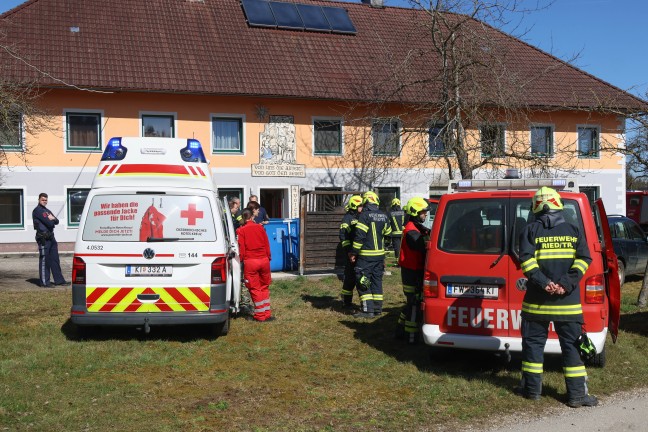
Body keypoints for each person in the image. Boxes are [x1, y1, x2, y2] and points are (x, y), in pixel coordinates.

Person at [516, 186, 597, 407]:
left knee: (533, 346)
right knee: (572, 348)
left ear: (536, 206)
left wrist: (545, 284)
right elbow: (584, 260)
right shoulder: (573, 230)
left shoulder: (529, 230)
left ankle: (532, 391)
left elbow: (527, 263)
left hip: (536, 304)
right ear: (558, 204)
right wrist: (564, 284)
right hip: (568, 304)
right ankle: (577, 396)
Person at [350, 191, 392, 318]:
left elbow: (360, 236)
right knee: (376, 281)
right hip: (379, 257)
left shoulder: (364, 216)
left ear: (366, 202)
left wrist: (353, 252)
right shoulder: (384, 216)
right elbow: (388, 235)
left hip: (366, 257)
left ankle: (368, 310)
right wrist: (383, 249)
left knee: (363, 281)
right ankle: (378, 308)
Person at [395, 197, 431, 344]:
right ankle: (411, 338)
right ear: (415, 212)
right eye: (423, 212)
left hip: (414, 271)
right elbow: (422, 245)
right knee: (414, 302)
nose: (425, 215)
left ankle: (399, 328)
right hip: (411, 272)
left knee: (412, 302)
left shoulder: (416, 227)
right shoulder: (411, 231)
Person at [236, 209, 274, 322]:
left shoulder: (240, 230)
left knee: (254, 288)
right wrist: (268, 257)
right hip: (264, 260)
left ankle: (260, 316)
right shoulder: (260, 228)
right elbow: (267, 243)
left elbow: (241, 248)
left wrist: (241, 260)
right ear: (252, 217)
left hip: (251, 262)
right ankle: (267, 313)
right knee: (264, 287)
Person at [32, 193, 69, 287]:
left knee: (55, 259)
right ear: (39, 200)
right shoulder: (38, 211)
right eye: (42, 199)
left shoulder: (47, 210)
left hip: (51, 238)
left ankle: (59, 280)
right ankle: (45, 282)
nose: (44, 201)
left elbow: (57, 221)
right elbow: (50, 223)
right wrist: (52, 219)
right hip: (43, 238)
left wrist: (53, 219)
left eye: (46, 200)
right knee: (45, 260)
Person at [339, 194, 363, 309]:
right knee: (350, 278)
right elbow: (343, 237)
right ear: (354, 206)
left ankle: (363, 302)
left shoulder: (360, 217)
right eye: (360, 206)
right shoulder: (347, 218)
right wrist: (349, 252)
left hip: (359, 252)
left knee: (359, 277)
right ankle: (346, 301)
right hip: (351, 254)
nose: (362, 208)